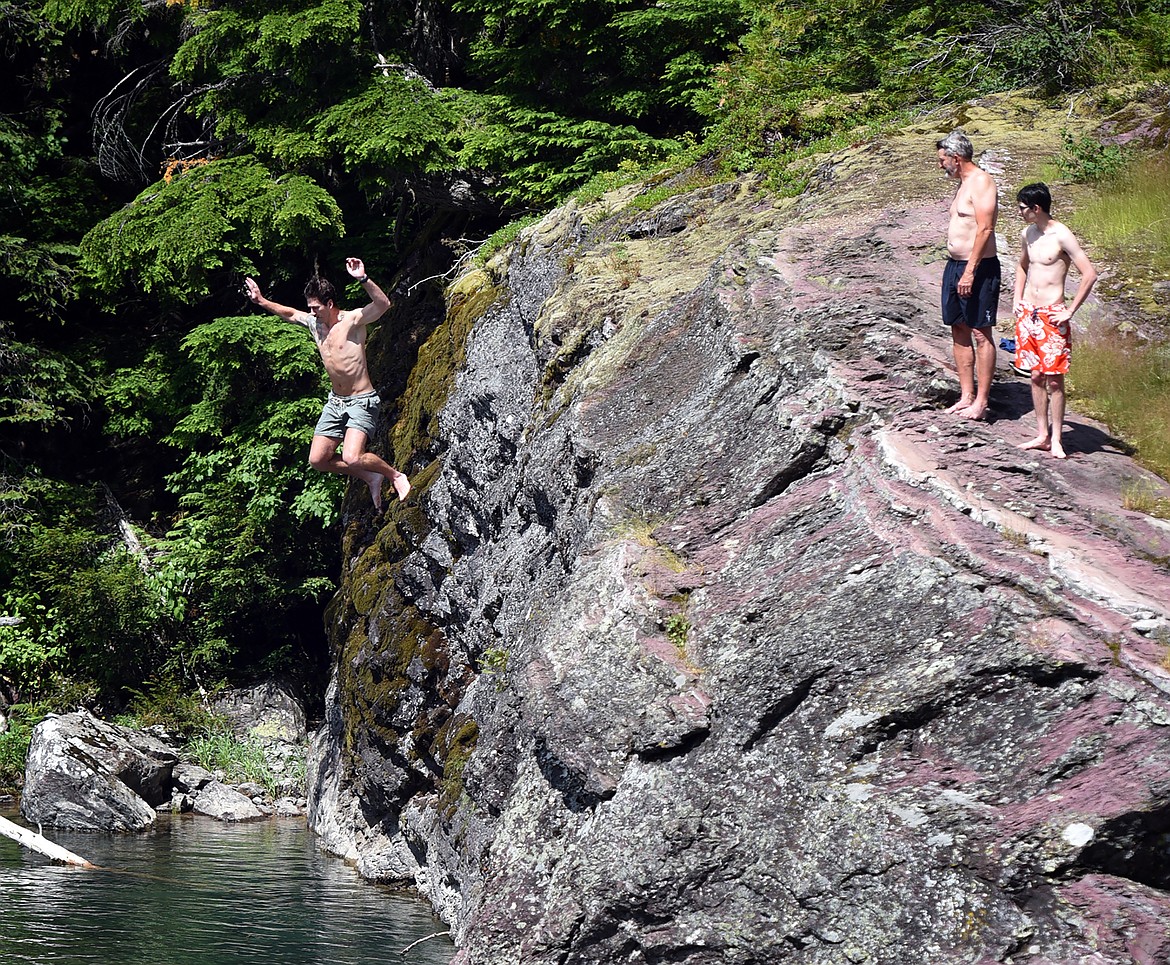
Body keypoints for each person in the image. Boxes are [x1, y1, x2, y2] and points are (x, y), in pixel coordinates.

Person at [244, 258, 411, 509]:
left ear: (329, 304)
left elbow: (383, 304)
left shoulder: (352, 321)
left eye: (315, 308)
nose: (311, 312)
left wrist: (362, 278)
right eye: (309, 307)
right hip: (335, 402)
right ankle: (369, 475)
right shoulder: (315, 324)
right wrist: (261, 301)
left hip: (361, 401)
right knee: (318, 460)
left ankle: (395, 475)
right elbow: (289, 313)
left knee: (352, 456)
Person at [1012, 182, 1098, 459]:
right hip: (1029, 313)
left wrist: (1070, 310)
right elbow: (1022, 265)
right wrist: (1017, 300)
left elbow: (1090, 274)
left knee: (1055, 380)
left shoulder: (1062, 235)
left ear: (1037, 208)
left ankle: (1058, 439)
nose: (1019, 212)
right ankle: (1042, 434)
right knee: (1035, 375)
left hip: (1052, 314)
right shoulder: (1028, 233)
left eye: (1023, 208)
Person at [937, 131, 1001, 420]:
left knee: (980, 331)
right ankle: (966, 395)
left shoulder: (982, 182)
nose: (941, 166)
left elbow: (985, 229)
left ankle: (982, 401)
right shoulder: (961, 184)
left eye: (943, 160)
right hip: (954, 265)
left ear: (956, 157)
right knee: (958, 327)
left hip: (977, 268)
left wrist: (970, 272)